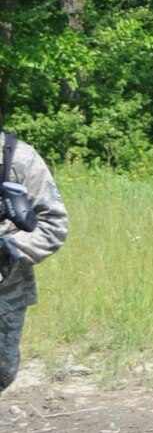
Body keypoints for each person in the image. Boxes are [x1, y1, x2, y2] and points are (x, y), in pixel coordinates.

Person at [0, 121, 69, 396]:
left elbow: (54, 224)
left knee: (3, 370)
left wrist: (9, 247)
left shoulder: (18, 158)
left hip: (6, 288)